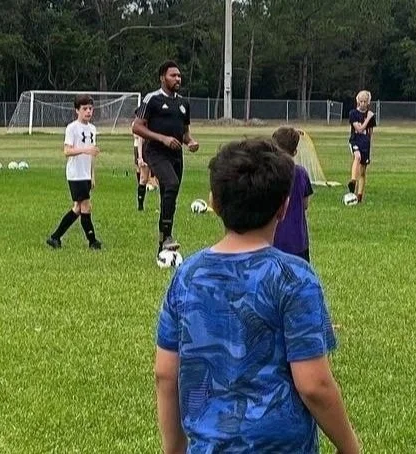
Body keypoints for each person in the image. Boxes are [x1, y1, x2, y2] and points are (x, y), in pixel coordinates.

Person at [154, 137, 358, 454]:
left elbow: (166, 373)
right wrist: (350, 447)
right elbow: (314, 385)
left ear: (214, 202)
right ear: (284, 206)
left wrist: (174, 450)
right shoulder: (294, 278)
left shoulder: (187, 276)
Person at [133, 61, 199, 252]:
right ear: (163, 77)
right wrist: (162, 138)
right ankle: (168, 236)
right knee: (171, 184)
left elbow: (185, 133)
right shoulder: (151, 99)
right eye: (173, 75)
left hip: (176, 155)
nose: (178, 79)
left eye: (179, 75)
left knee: (169, 195)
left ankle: (163, 241)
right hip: (155, 151)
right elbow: (137, 126)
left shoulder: (183, 103)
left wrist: (190, 142)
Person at [46, 95, 102, 250]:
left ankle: (55, 237)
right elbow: (67, 151)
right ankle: (92, 241)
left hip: (85, 174)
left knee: (77, 208)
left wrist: (92, 175)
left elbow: (91, 155)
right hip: (75, 173)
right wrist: (85, 149)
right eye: (84, 109)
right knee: (86, 206)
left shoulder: (92, 129)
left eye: (90, 108)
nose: (88, 112)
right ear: (77, 110)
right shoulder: (72, 128)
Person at [271, 126, 314, 262]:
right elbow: (305, 204)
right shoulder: (301, 173)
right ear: (295, 152)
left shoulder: (269, 174)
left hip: (274, 239)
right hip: (298, 241)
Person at [346, 91, 376, 203]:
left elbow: (370, 132)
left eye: (365, 101)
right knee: (357, 157)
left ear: (368, 102)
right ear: (357, 101)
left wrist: (368, 143)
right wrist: (367, 118)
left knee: (363, 172)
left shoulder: (371, 116)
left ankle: (359, 197)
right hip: (355, 141)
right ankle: (353, 181)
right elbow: (359, 129)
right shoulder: (353, 113)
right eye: (361, 101)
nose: (363, 104)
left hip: (365, 144)